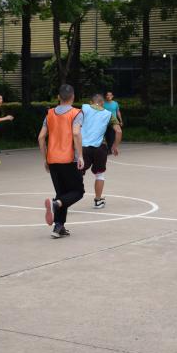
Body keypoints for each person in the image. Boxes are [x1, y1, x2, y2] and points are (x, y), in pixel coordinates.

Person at [38, 84, 85, 238]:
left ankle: (58, 227)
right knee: (78, 192)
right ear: (73, 97)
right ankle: (55, 204)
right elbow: (76, 133)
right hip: (68, 159)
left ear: (58, 97)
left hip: (52, 159)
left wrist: (45, 158)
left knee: (62, 193)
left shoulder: (49, 113)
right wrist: (80, 156)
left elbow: (41, 137)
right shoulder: (76, 113)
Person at [81, 93, 122, 209]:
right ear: (103, 103)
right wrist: (114, 146)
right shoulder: (108, 114)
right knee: (100, 174)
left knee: (78, 173)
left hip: (83, 147)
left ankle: (67, 198)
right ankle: (98, 201)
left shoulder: (84, 108)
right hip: (100, 147)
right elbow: (119, 131)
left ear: (91, 102)